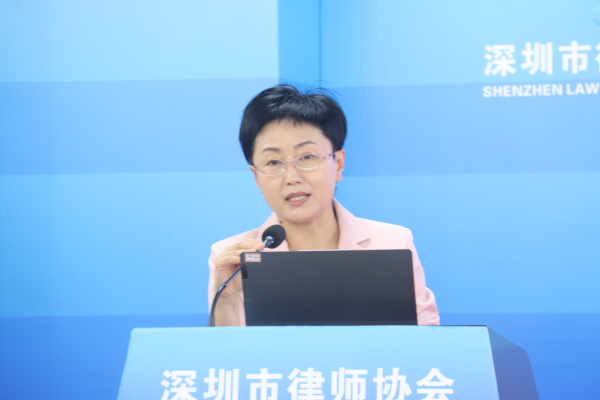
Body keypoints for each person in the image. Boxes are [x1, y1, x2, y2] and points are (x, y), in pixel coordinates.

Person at [208, 84, 439, 326]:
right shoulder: (233, 259)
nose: (292, 177)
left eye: (307, 157)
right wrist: (227, 301)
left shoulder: (395, 243)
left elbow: (429, 341)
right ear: (256, 177)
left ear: (338, 164)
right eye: (273, 162)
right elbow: (227, 351)